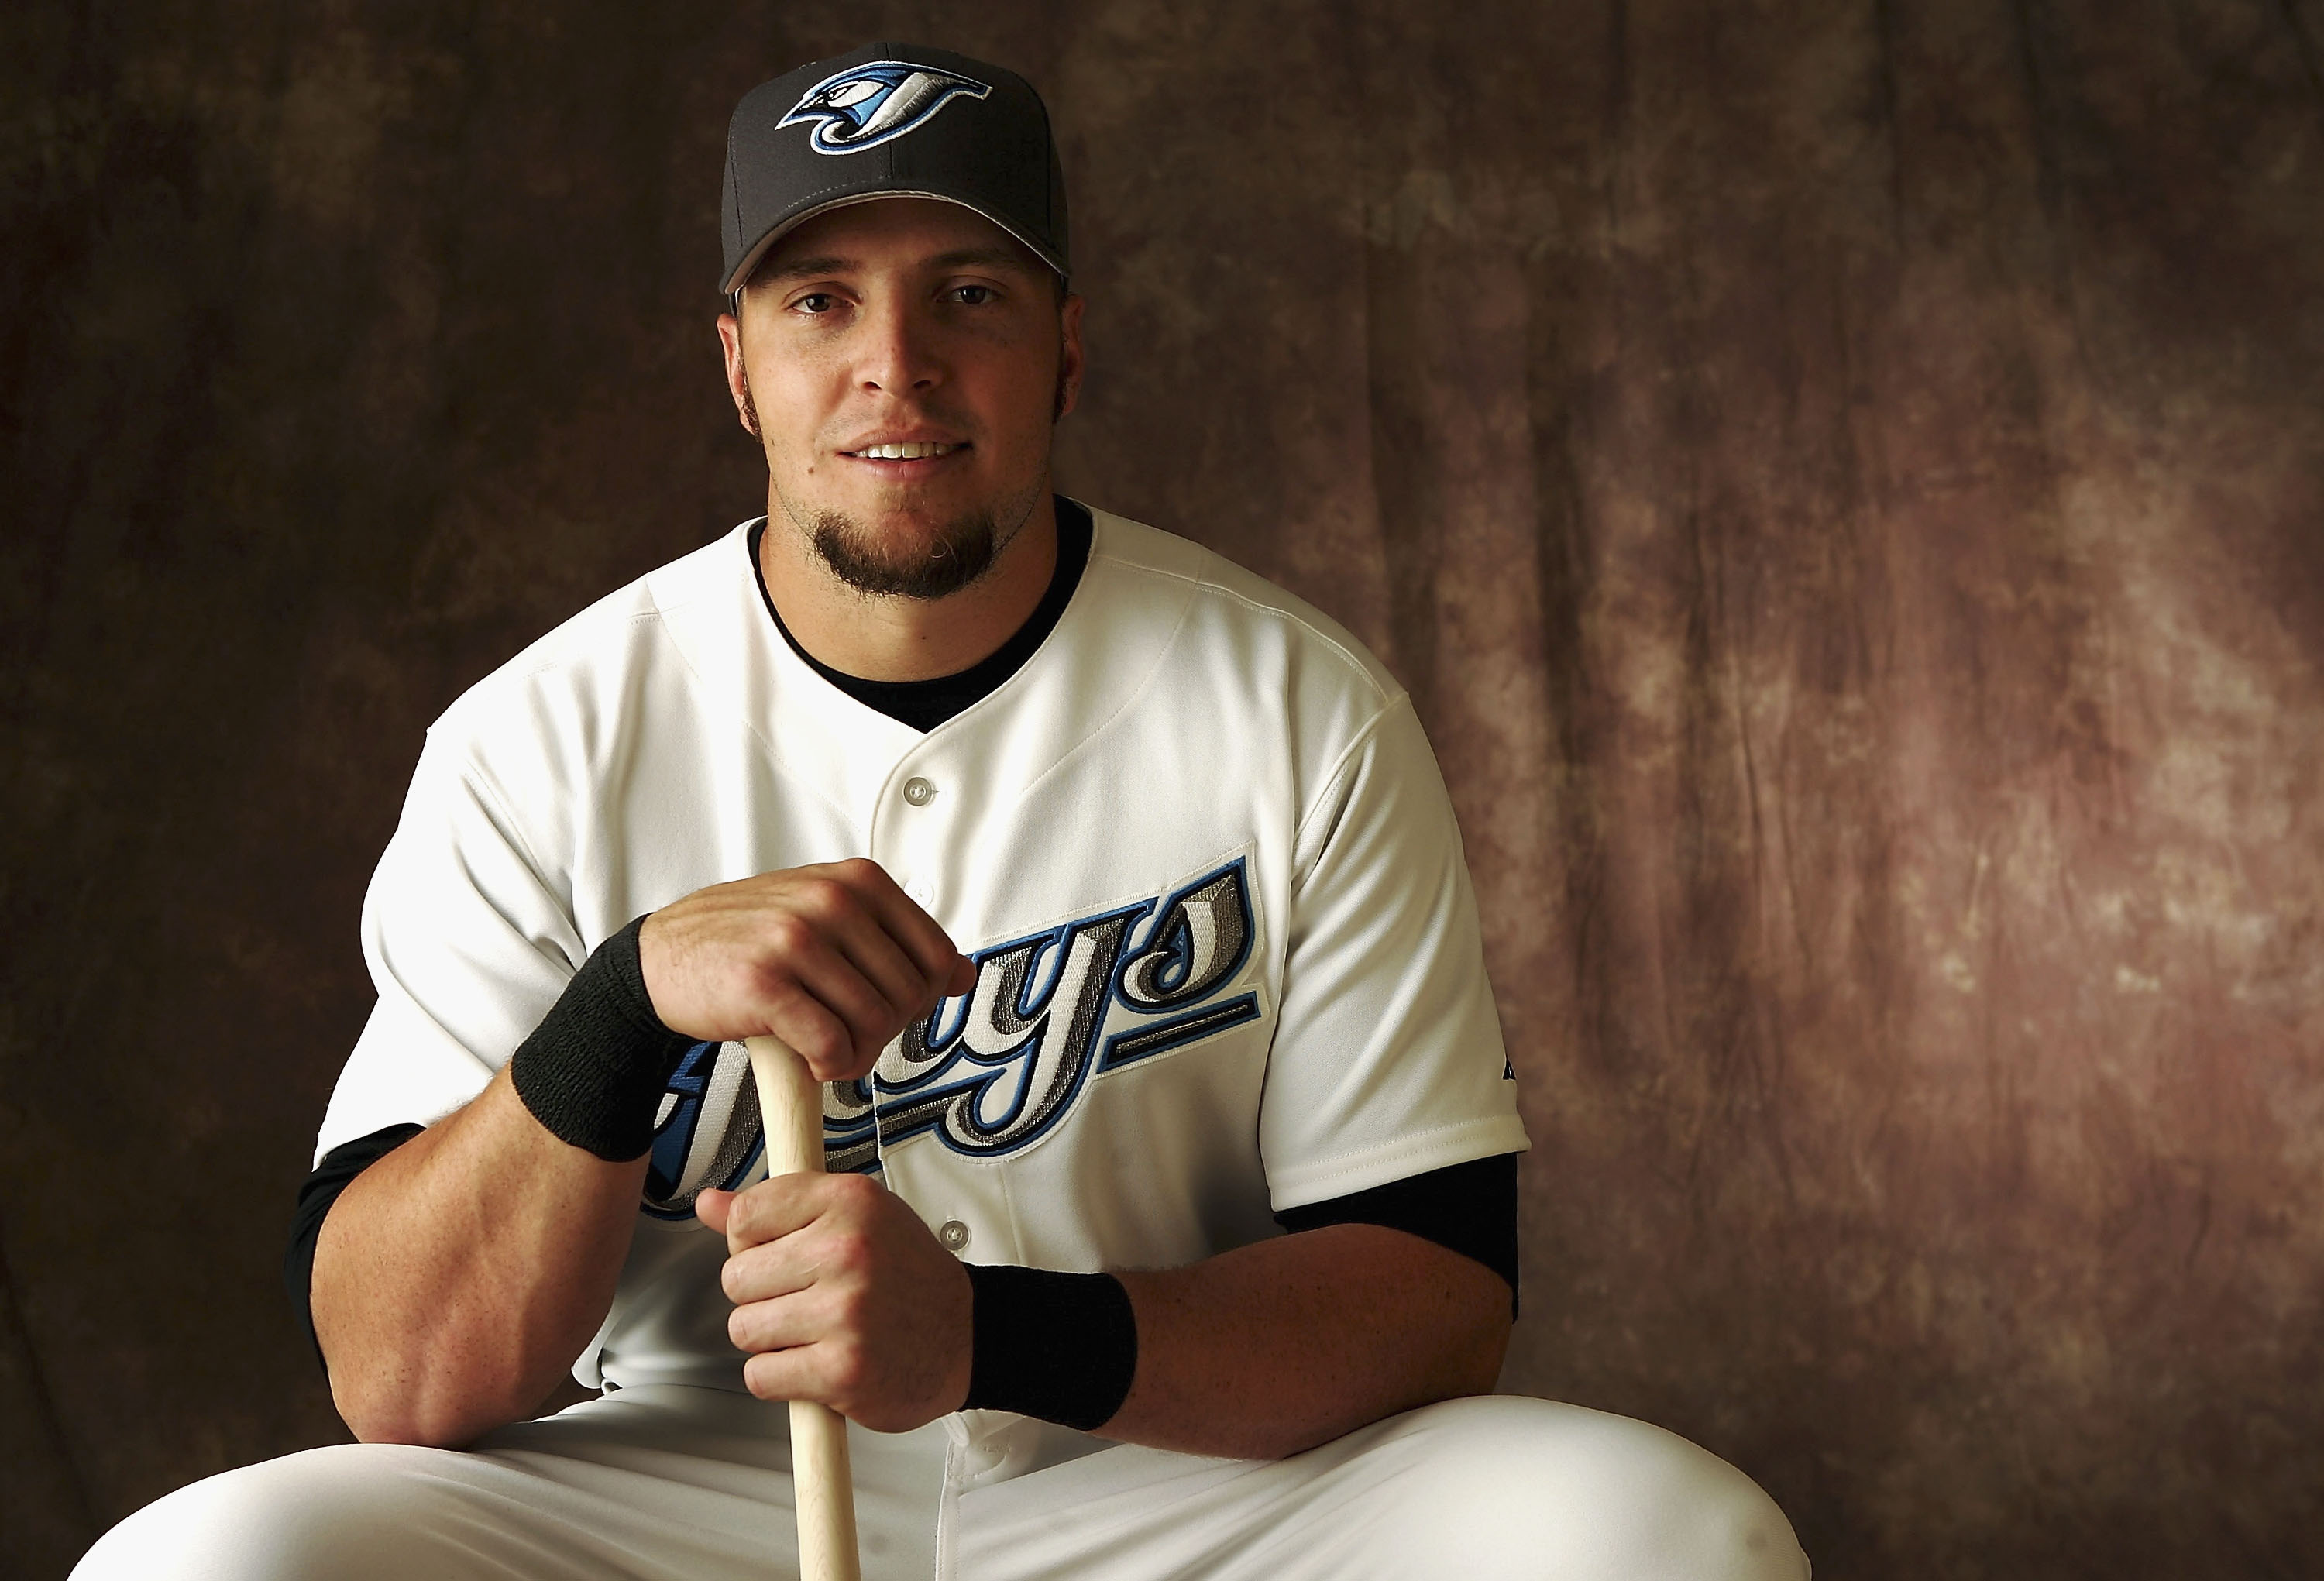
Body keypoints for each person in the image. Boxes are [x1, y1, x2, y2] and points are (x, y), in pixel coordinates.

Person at [74, 42, 1809, 1581]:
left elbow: (1439, 1296)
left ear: (1067, 344)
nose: (893, 364)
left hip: (1166, 1474)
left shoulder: (1295, 706)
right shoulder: (538, 738)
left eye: (968, 293)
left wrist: (988, 1333)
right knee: (204, 1564)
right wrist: (619, 1010)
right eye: (819, 298)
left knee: (1668, 1539)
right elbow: (398, 1373)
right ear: (737, 363)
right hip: (686, 1480)